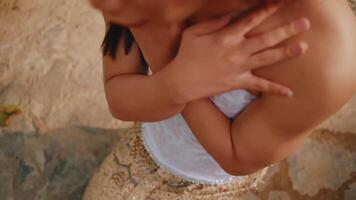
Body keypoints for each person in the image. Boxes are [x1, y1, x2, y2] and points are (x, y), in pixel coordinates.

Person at [84, 0, 356, 199]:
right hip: (142, 147)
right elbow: (119, 95)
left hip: (206, 186)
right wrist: (171, 82)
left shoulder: (325, 57)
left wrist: (164, 56)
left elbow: (238, 157)